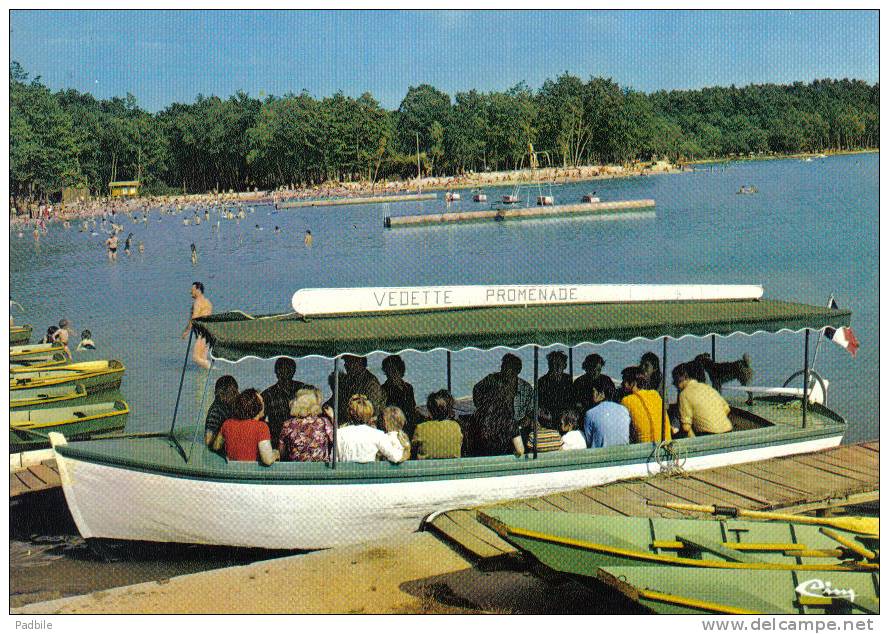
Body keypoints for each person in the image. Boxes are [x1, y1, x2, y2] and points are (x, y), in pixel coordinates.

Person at [213, 389, 279, 465]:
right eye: (262, 401)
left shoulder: (227, 424)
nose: (264, 404)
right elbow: (267, 460)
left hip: (232, 472)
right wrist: (275, 453)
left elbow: (216, 446)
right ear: (257, 407)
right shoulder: (261, 427)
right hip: (251, 474)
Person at [336, 394, 405, 464]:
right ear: (370, 413)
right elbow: (396, 457)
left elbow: (333, 459)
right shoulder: (378, 434)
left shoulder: (339, 433)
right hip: (369, 473)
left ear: (349, 413)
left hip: (345, 472)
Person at [473, 353, 534, 430]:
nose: (502, 369)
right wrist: (483, 409)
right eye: (502, 366)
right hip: (495, 426)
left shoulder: (526, 388)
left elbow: (531, 410)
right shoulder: (491, 379)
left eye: (506, 367)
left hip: (518, 428)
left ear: (516, 371)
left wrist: (528, 419)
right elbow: (476, 390)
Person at [673, 363, 733, 437]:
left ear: (681, 378)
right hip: (728, 432)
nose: (674, 384)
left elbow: (686, 427)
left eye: (674, 380)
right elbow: (727, 409)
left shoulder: (684, 394)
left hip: (707, 436)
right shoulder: (708, 388)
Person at [469, 381, 524, 457]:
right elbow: (520, 451)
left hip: (478, 462)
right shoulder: (508, 420)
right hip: (503, 462)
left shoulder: (474, 419)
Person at [279, 388, 334, 462]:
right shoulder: (323, 422)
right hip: (321, 470)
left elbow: (282, 452)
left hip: (296, 470)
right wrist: (333, 418)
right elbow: (336, 442)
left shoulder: (288, 424)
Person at [261, 357, 309, 443]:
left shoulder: (303, 389)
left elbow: (313, 414)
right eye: (282, 369)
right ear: (276, 372)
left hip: (302, 442)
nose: (285, 372)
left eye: (289, 369)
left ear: (293, 371)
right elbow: (261, 421)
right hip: (277, 442)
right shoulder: (267, 394)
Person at [620, 366, 672, 444]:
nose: (622, 384)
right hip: (667, 443)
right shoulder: (655, 394)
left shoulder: (626, 401)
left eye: (624, 381)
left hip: (645, 448)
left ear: (633, 383)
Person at [583, 375, 631, 448]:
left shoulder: (590, 413)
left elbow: (589, 441)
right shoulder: (624, 410)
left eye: (594, 391)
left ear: (602, 393)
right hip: (623, 454)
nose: (592, 394)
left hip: (600, 456)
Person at [412, 390, 463, 460]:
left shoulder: (421, 428)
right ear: (449, 411)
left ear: (429, 411)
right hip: (452, 468)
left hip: (426, 469)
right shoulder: (456, 427)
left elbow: (412, 450)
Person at [337, 355, 386, 424]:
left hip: (363, 423)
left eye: (348, 362)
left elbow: (372, 410)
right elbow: (338, 398)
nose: (345, 365)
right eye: (346, 362)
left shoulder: (370, 382)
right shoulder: (348, 380)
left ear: (359, 362)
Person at [381, 354, 419, 437]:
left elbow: (412, 408)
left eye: (394, 370)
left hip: (408, 426)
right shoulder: (384, 389)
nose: (391, 374)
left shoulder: (408, 388)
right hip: (392, 426)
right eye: (389, 371)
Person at [536, 350, 573, 429]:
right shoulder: (542, 382)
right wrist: (543, 414)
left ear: (564, 366)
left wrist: (567, 414)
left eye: (558, 365)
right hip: (547, 420)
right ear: (549, 366)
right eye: (552, 365)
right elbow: (538, 405)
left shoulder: (568, 380)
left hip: (565, 420)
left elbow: (572, 401)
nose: (555, 368)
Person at [182, 281, 213, 369]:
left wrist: (186, 331)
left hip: (202, 332)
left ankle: (212, 369)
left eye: (192, 290)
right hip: (209, 332)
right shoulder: (208, 302)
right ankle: (201, 381)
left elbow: (194, 318)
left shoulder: (197, 302)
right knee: (202, 360)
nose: (191, 292)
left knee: (196, 358)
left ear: (198, 290)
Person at [204, 375, 239, 445]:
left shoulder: (234, 402)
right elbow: (208, 440)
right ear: (221, 395)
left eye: (236, 392)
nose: (237, 395)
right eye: (233, 393)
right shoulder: (215, 411)